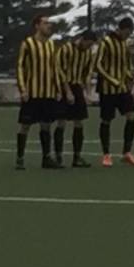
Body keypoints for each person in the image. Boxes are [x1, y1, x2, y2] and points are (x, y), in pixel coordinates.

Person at [15, 14, 65, 170]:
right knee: (25, 125)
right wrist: (23, 89)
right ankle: (20, 158)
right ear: (37, 26)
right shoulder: (28, 44)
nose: (48, 26)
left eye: (49, 23)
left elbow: (55, 68)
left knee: (46, 125)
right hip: (32, 92)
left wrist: (58, 89)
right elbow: (20, 67)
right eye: (45, 23)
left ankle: (46, 158)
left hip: (48, 93)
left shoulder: (51, 45)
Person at [95, 17, 134, 167]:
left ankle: (127, 152)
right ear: (121, 29)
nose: (128, 35)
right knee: (106, 120)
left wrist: (130, 76)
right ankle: (106, 155)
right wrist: (111, 79)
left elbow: (126, 66)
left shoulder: (125, 44)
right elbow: (98, 65)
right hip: (107, 89)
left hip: (122, 88)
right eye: (127, 32)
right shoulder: (106, 42)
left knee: (132, 116)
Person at [55, 29, 98, 167]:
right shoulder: (66, 49)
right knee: (61, 122)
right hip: (63, 85)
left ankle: (77, 157)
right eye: (88, 44)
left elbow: (87, 73)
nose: (89, 47)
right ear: (82, 39)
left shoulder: (88, 53)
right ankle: (58, 157)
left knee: (79, 122)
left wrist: (87, 93)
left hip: (77, 86)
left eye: (92, 45)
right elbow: (59, 70)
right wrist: (67, 92)